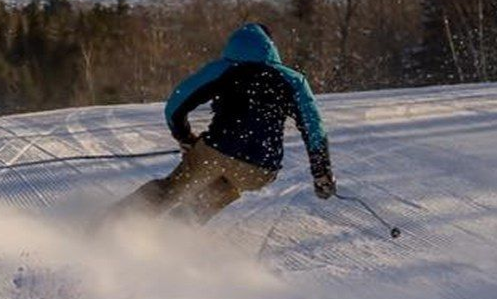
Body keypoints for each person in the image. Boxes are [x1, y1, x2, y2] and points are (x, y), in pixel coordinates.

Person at [113, 22, 336, 223]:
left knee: (172, 189)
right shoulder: (292, 80)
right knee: (226, 187)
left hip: (216, 152)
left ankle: (111, 227)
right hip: (259, 168)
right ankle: (174, 236)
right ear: (271, 46)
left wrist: (185, 137)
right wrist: (321, 172)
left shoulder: (221, 70)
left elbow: (175, 106)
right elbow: (314, 127)